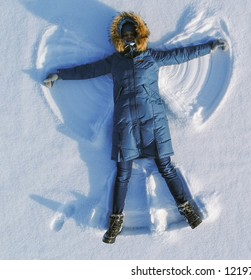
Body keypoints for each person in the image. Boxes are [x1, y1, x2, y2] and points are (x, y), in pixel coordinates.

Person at [43, 11, 228, 244]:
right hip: (125, 124)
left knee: (165, 167)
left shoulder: (151, 57)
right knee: (123, 174)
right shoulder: (115, 62)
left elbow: (182, 54)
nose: (129, 36)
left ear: (140, 34)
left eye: (133, 32)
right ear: (119, 37)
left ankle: (187, 209)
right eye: (125, 33)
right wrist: (59, 75)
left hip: (154, 122)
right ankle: (115, 221)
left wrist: (209, 46)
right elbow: (86, 70)